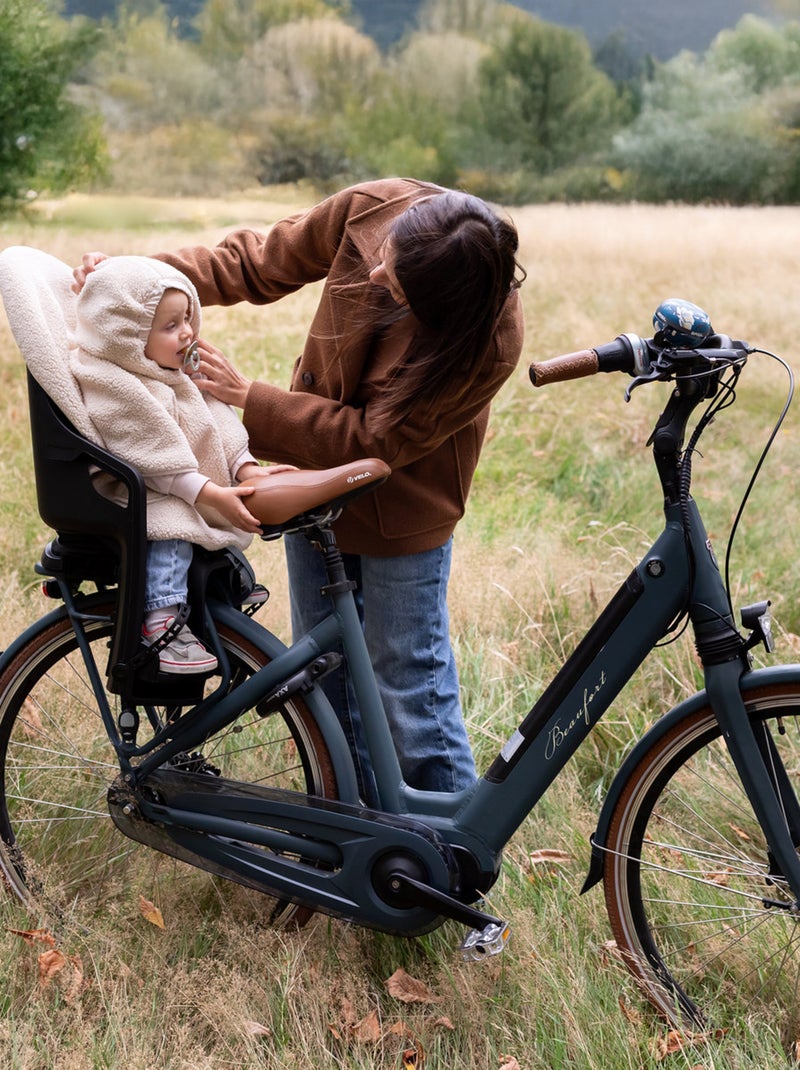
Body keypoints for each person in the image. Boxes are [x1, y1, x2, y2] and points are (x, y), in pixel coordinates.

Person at [73, 178, 526, 798]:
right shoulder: (376, 209)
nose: (373, 280)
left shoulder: (487, 339)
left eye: (394, 288)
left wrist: (249, 399)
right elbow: (255, 262)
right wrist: (136, 278)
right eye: (383, 259)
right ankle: (350, 847)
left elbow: (377, 442)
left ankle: (445, 865)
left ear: (440, 311)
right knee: (324, 676)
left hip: (406, 508)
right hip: (311, 479)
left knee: (408, 686)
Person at [71, 255, 266, 674]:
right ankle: (162, 618)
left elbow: (218, 420)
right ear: (128, 336)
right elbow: (149, 455)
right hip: (132, 484)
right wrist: (210, 494)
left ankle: (220, 586)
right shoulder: (113, 380)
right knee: (175, 522)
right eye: (171, 326)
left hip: (171, 476)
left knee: (205, 513)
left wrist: (244, 465)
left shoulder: (171, 371)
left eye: (187, 319)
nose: (188, 332)